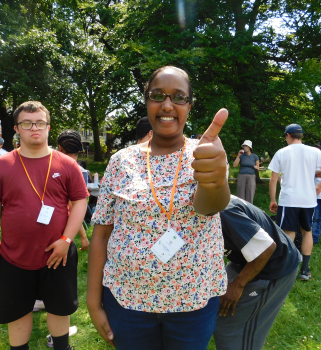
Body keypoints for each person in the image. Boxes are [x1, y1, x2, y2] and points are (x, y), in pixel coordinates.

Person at [87, 66, 230, 350]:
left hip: (192, 302)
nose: (167, 105)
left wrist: (215, 181)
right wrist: (93, 300)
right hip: (127, 301)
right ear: (147, 101)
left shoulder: (205, 154)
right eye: (157, 95)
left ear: (189, 105)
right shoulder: (120, 161)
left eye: (178, 97)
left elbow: (209, 207)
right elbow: (101, 234)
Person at [0, 101, 89, 350]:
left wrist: (67, 240)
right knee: (17, 311)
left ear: (48, 127)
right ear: (17, 128)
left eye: (39, 123)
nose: (34, 128)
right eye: (27, 124)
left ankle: (62, 347)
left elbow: (80, 202)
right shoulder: (4, 164)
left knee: (60, 308)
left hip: (58, 253)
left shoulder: (67, 164)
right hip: (13, 255)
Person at [213, 195, 301, 350]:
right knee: (217, 311)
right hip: (245, 258)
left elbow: (266, 248)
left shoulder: (225, 211)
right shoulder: (207, 204)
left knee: (231, 329)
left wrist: (238, 285)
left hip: (272, 266)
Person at [268, 124, 321, 281]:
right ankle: (305, 271)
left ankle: (287, 269)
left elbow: (273, 179)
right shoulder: (314, 152)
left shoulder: (281, 152)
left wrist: (273, 200)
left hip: (289, 200)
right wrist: (319, 186)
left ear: (288, 135)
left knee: (289, 233)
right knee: (307, 232)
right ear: (300, 136)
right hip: (308, 200)